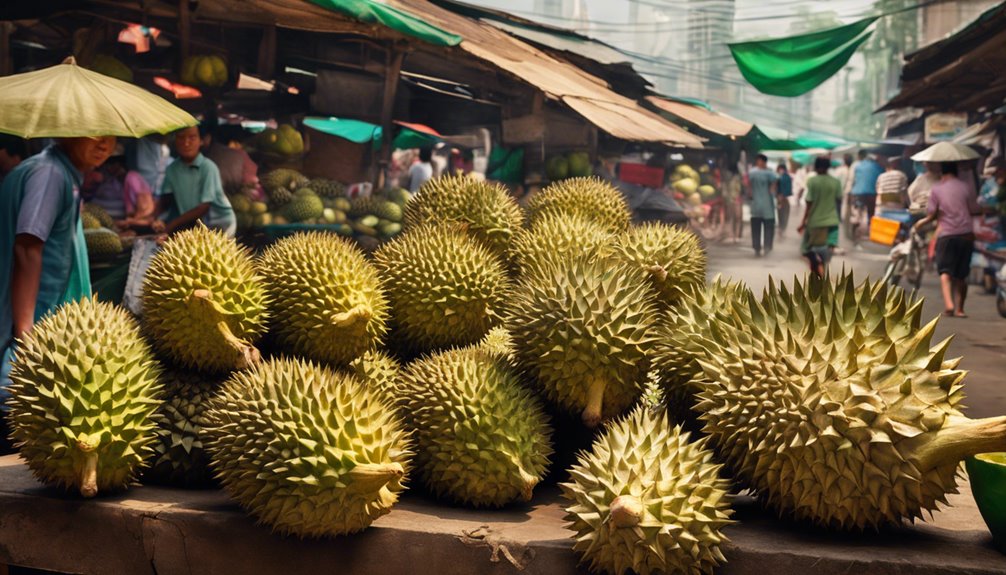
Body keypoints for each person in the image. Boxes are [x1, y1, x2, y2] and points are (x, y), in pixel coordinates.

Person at [0, 136, 116, 449]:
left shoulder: (63, 174)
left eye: (109, 134)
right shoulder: (48, 174)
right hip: (26, 335)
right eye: (92, 132)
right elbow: (27, 246)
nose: (104, 142)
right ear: (66, 130)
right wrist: (25, 333)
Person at [912, 162, 981, 318]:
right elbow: (974, 209)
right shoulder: (965, 187)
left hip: (947, 235)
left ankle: (949, 305)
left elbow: (931, 213)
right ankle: (960, 309)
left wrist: (920, 223)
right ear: (956, 171)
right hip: (966, 235)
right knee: (962, 275)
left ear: (942, 172)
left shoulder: (936, 189)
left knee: (945, 272)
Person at [151, 126, 236, 237]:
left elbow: (204, 207)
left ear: (201, 141)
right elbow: (166, 200)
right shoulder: (172, 169)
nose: (186, 143)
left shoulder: (208, 167)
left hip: (219, 224)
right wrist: (156, 219)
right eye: (181, 137)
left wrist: (171, 225)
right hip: (195, 224)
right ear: (175, 140)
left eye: (192, 137)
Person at [83, 146, 155, 228]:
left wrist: (130, 221)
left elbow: (146, 209)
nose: (109, 168)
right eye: (107, 164)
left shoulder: (132, 177)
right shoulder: (106, 178)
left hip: (134, 222)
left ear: (119, 163)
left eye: (112, 164)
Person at [798, 157, 842, 278]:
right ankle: (822, 278)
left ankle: (819, 278)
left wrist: (803, 222)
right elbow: (839, 200)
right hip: (832, 223)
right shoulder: (836, 182)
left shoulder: (812, 181)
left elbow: (809, 202)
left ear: (816, 167)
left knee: (807, 250)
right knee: (826, 256)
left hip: (815, 222)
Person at [747, 154, 778, 257]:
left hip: (757, 205)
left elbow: (749, 187)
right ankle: (766, 247)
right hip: (766, 205)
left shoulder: (752, 173)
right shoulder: (770, 174)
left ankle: (758, 248)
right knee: (768, 227)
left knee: (756, 227)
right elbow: (773, 187)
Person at [776, 163, 793, 238]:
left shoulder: (780, 177)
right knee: (784, 216)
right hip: (785, 200)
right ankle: (783, 230)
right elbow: (789, 191)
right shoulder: (788, 177)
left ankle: (781, 230)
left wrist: (780, 196)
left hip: (781, 199)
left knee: (781, 215)